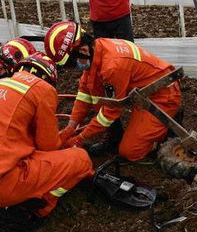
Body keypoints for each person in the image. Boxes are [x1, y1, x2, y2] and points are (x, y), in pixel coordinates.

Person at [0, 52, 94, 232]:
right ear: (49, 78)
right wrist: (68, 135)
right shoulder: (42, 89)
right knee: (81, 159)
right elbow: (49, 146)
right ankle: (35, 208)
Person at [44, 21, 182, 162]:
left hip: (162, 95)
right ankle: (116, 137)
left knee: (129, 152)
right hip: (142, 94)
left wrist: (81, 137)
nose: (73, 68)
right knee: (95, 92)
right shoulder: (97, 49)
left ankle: (165, 129)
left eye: (72, 63)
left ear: (83, 51)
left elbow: (111, 111)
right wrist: (70, 127)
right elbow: (85, 92)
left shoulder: (112, 66)